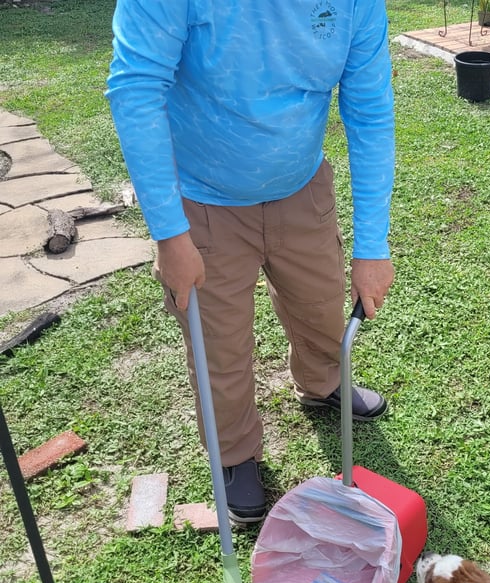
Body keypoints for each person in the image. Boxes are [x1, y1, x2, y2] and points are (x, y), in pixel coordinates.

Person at [106, 0, 395, 526]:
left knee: (321, 307)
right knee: (218, 342)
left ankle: (322, 382)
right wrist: (171, 235)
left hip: (301, 186)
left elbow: (370, 109)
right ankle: (236, 451)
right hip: (202, 198)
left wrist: (372, 245)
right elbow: (135, 90)